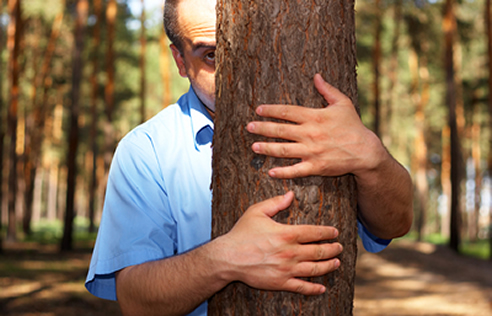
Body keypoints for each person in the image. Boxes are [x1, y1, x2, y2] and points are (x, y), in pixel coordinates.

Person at [85, 0, 413, 315]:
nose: (234, 71)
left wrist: (371, 158)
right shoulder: (146, 149)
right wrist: (224, 259)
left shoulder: (322, 122)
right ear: (181, 61)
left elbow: (394, 224)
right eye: (211, 54)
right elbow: (135, 302)